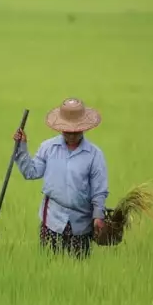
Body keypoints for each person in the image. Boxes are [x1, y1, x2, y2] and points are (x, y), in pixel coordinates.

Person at [13, 98, 109, 259]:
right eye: (67, 130)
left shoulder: (94, 155)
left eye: (76, 130)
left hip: (81, 223)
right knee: (48, 266)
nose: (71, 134)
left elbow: (99, 191)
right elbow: (31, 172)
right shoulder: (48, 148)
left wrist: (98, 216)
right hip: (52, 219)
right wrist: (21, 146)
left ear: (83, 128)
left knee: (79, 270)